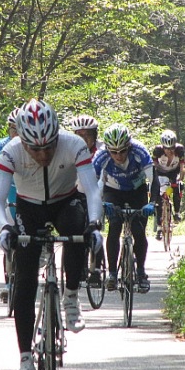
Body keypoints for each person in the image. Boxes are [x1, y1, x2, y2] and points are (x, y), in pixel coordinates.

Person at [0, 98, 103, 370]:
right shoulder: (10, 152)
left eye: (48, 147)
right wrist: (5, 228)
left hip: (65, 202)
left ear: (57, 137)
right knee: (24, 282)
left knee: (78, 229)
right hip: (29, 208)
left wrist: (95, 225)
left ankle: (71, 296)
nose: (42, 155)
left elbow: (92, 190)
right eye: (34, 149)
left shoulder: (73, 145)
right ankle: (25, 361)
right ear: (22, 140)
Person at [93, 123, 155, 293]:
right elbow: (90, 183)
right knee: (114, 227)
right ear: (108, 149)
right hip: (113, 191)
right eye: (114, 152)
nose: (118, 156)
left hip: (137, 191)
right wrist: (100, 203)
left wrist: (153, 202)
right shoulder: (101, 156)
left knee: (138, 229)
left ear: (129, 146)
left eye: (122, 151)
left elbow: (153, 179)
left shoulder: (139, 151)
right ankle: (112, 274)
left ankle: (141, 272)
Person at [70, 114, 105, 285]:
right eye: (79, 135)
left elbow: (104, 177)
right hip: (76, 192)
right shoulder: (70, 148)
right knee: (75, 228)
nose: (83, 139)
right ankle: (79, 266)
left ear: (95, 135)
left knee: (94, 227)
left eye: (87, 135)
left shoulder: (102, 151)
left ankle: (96, 270)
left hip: (96, 191)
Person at [0, 107, 20, 302]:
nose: (15, 133)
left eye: (19, 129)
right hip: (9, 192)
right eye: (12, 129)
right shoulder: (1, 146)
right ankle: (8, 283)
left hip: (27, 192)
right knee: (9, 238)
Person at [151, 129, 185, 240]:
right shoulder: (157, 151)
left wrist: (181, 177)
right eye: (166, 148)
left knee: (178, 187)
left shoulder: (180, 150)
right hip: (161, 172)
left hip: (173, 172)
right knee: (159, 198)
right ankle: (159, 227)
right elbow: (154, 165)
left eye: (171, 148)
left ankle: (176, 212)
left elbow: (182, 166)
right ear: (163, 147)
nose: (169, 151)